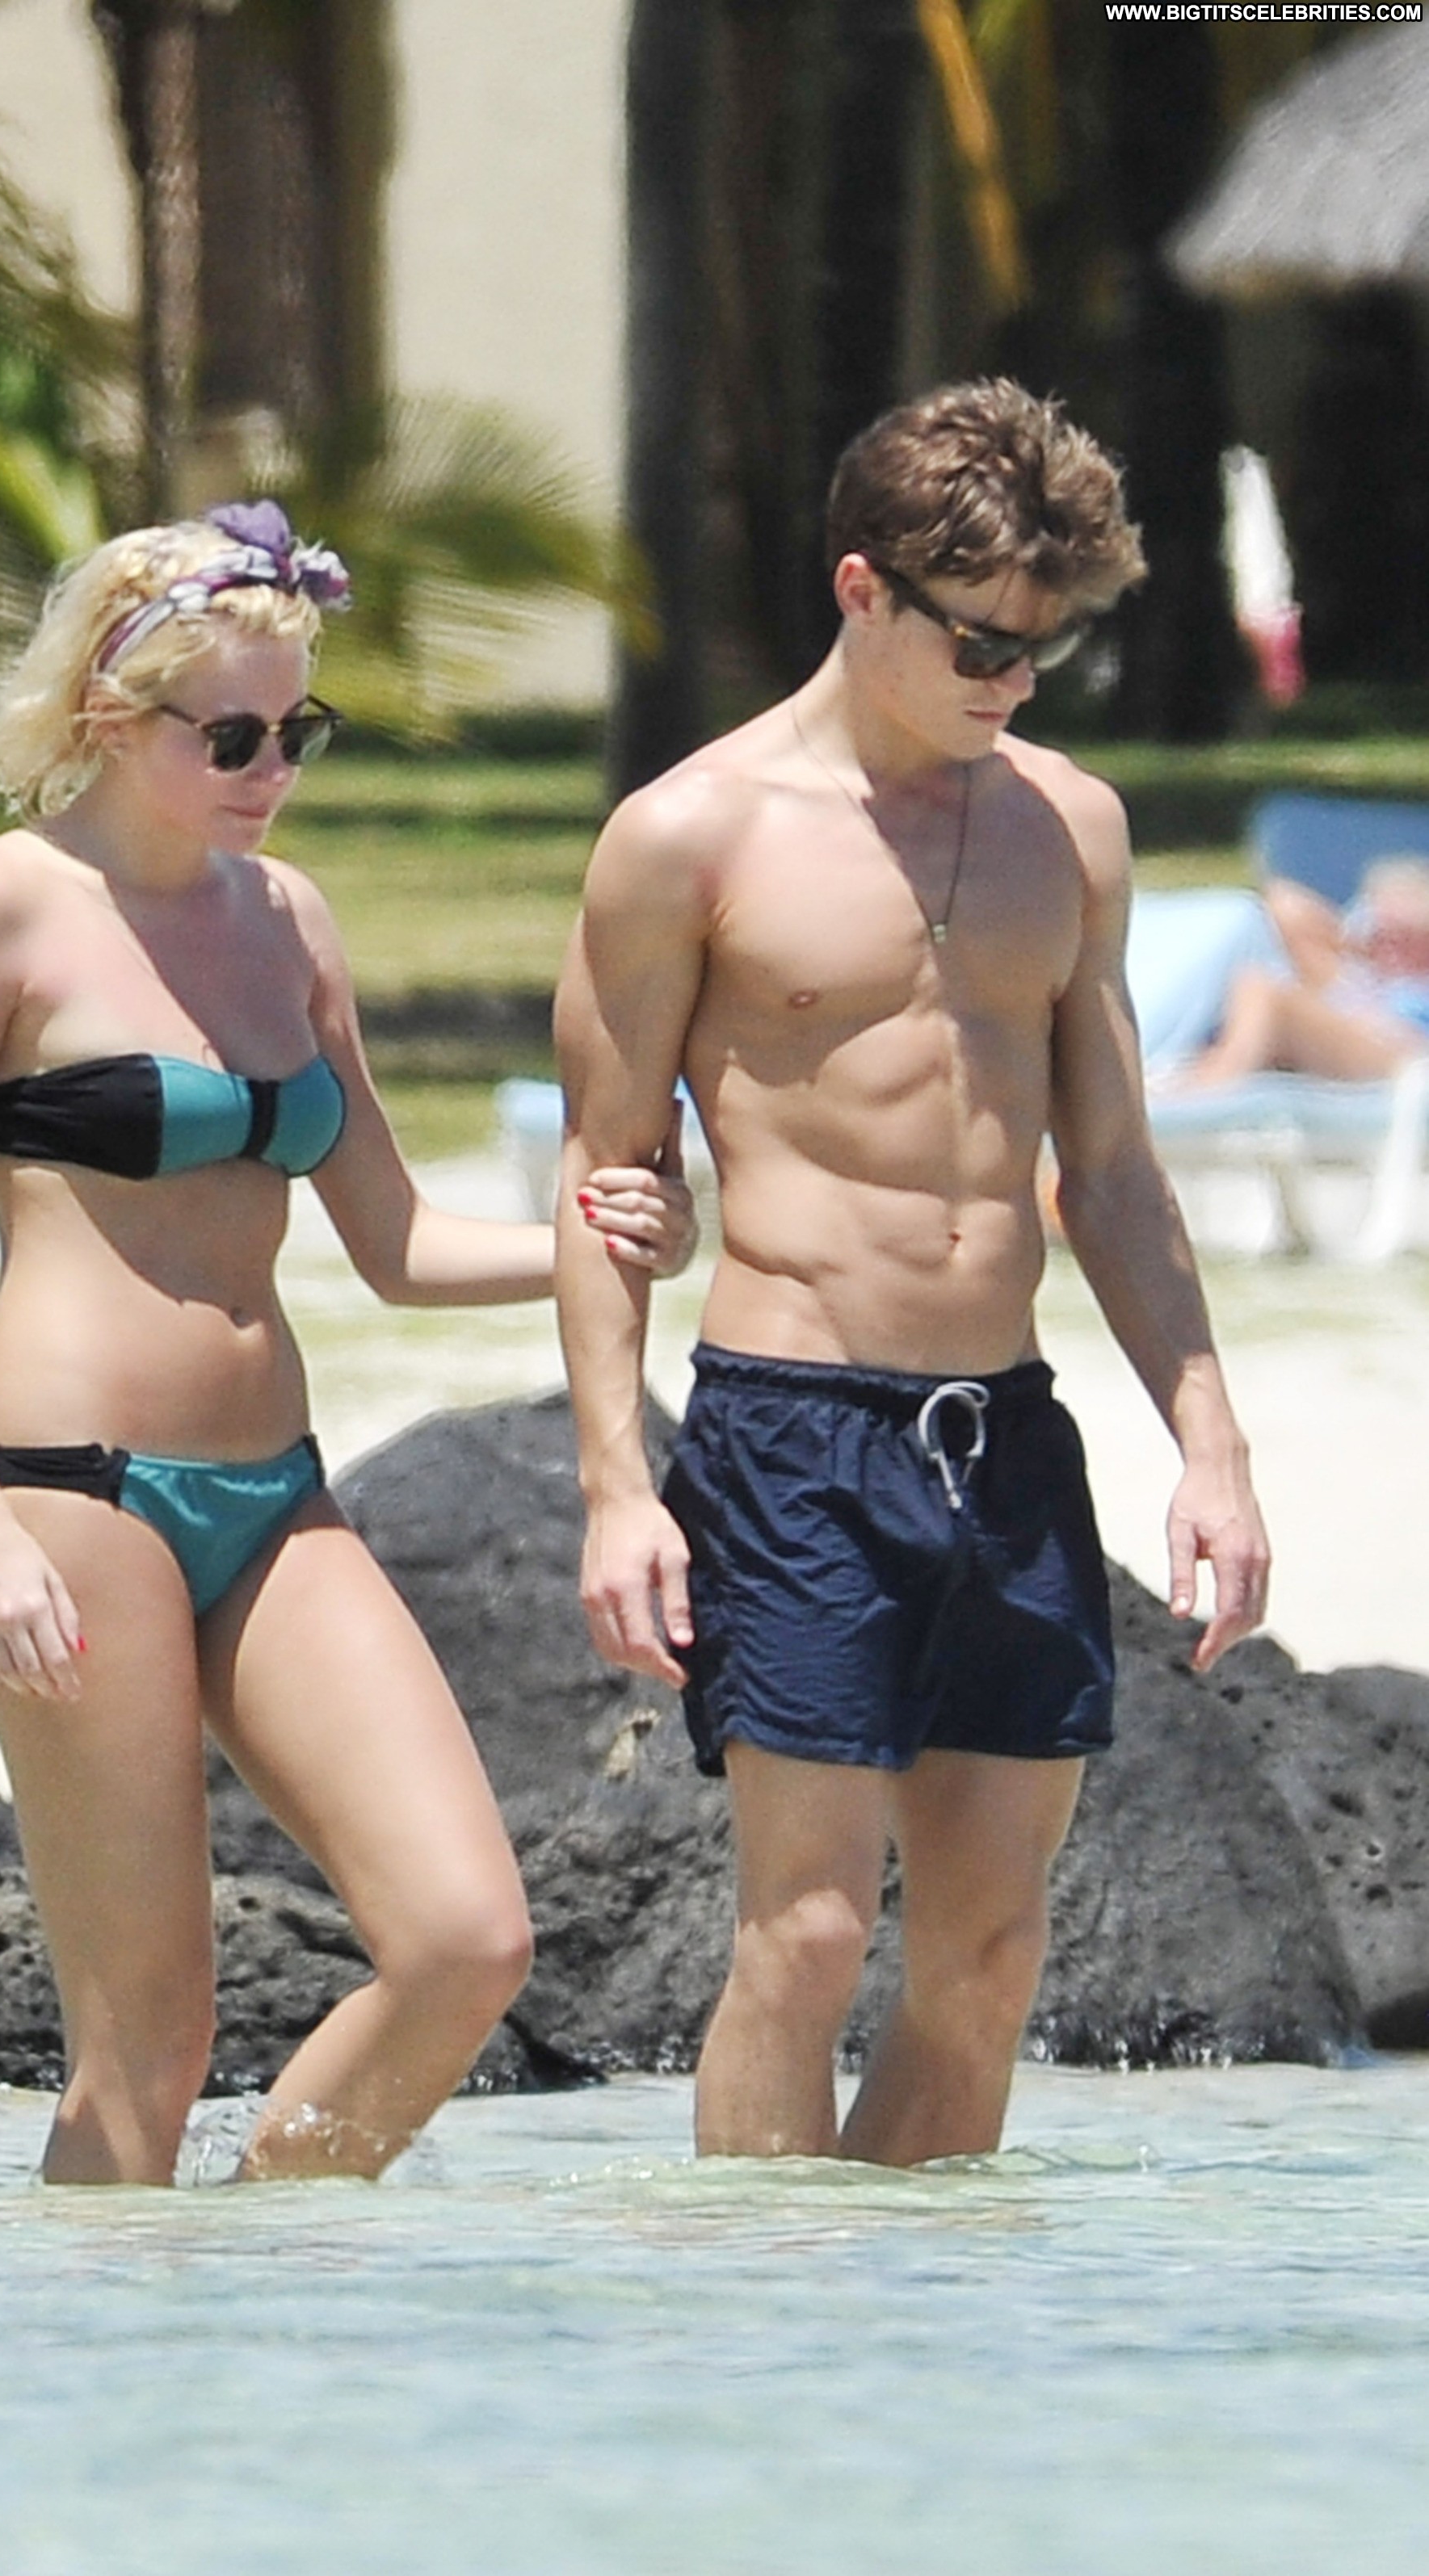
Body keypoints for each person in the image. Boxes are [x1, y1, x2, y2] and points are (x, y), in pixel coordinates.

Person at [0, 501, 694, 2187]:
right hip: (68, 1497)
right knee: (146, 2042)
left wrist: (594, 1242)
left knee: (464, 1938)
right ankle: (107, 2331)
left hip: (276, 1492)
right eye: (228, 735)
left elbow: (392, 1244)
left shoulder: (289, 921)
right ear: (109, 712)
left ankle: (256, 2265)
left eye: (294, 731)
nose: (269, 768)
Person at [553, 380, 1271, 2170]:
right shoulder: (686, 835)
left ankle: (909, 2321)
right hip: (791, 1428)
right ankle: (755, 2306)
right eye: (979, 644)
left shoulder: (1067, 827)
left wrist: (1210, 1445)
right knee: (803, 1937)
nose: (1012, 682)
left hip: (1001, 1439)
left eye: (1044, 648)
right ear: (859, 588)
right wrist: (614, 1489)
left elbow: (1110, 1173)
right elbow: (605, 1180)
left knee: (990, 1954)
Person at [1171, 857, 1429, 1089]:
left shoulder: (1418, 988)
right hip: (1361, 1036)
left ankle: (1216, 1085)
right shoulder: (1360, 974)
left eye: (1407, 937)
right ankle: (1209, 1075)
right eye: (1382, 934)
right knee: (1254, 980)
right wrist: (1354, 942)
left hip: (1408, 1056)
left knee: (1266, 992)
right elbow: (1284, 902)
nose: (1390, 946)